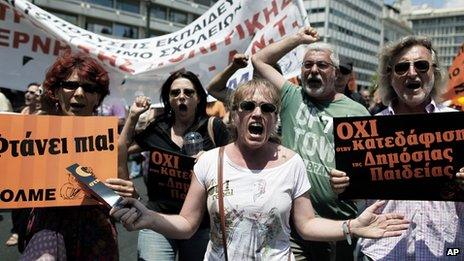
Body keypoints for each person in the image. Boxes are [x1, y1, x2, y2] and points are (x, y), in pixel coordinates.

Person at [111, 79, 409, 260]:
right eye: (248, 107)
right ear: (234, 117)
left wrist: (350, 227)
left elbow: (306, 224)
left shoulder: (292, 162)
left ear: (275, 119)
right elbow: (187, 224)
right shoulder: (208, 161)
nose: (258, 113)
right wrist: (149, 218)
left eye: (267, 108)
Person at [330, 36, 464, 260]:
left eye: (421, 65)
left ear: (434, 71)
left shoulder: (459, 124)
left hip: (448, 252)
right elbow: (358, 198)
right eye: (402, 67)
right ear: (390, 77)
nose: (412, 73)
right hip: (381, 253)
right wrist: (343, 185)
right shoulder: (367, 129)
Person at [251, 26, 371, 260]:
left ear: (335, 73)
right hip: (291, 225)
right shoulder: (292, 96)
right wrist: (297, 39)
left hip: (337, 227)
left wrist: (351, 181)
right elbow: (259, 59)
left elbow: (368, 172)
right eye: (308, 65)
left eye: (322, 65)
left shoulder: (357, 112)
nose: (314, 70)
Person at [20, 52, 135, 260]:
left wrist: (130, 194)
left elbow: (123, 202)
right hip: (48, 226)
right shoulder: (33, 133)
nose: (80, 93)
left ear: (98, 97)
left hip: (97, 234)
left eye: (90, 88)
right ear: (56, 90)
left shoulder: (112, 142)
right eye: (71, 85)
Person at [119, 70, 230, 261]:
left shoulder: (213, 127)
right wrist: (133, 117)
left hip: (201, 226)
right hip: (157, 220)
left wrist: (211, 159)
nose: (181, 97)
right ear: (169, 100)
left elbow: (232, 164)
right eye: (175, 93)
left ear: (198, 98)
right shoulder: (158, 127)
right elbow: (123, 148)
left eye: (188, 92)